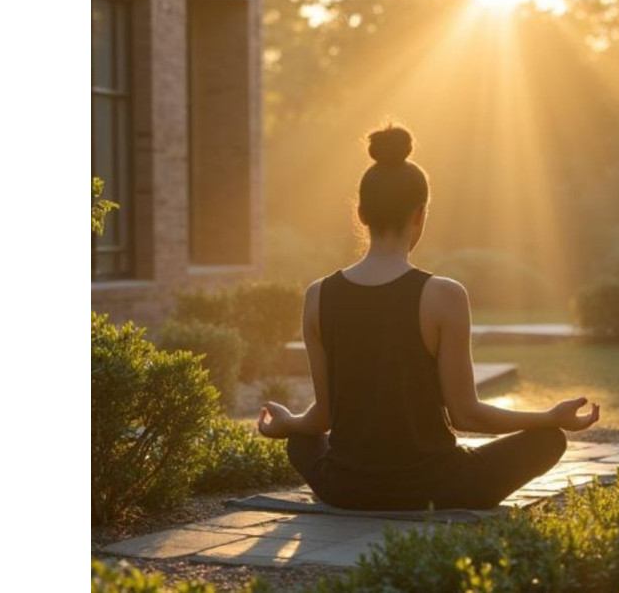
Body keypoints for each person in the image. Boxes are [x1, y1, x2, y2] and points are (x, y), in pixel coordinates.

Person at [256, 124, 600, 510]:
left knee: (302, 440)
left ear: (361, 213)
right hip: (439, 488)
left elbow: (322, 418)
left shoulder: (318, 295)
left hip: (346, 488)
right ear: (420, 214)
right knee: (548, 439)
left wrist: (287, 423)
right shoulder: (444, 295)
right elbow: (466, 413)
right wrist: (549, 416)